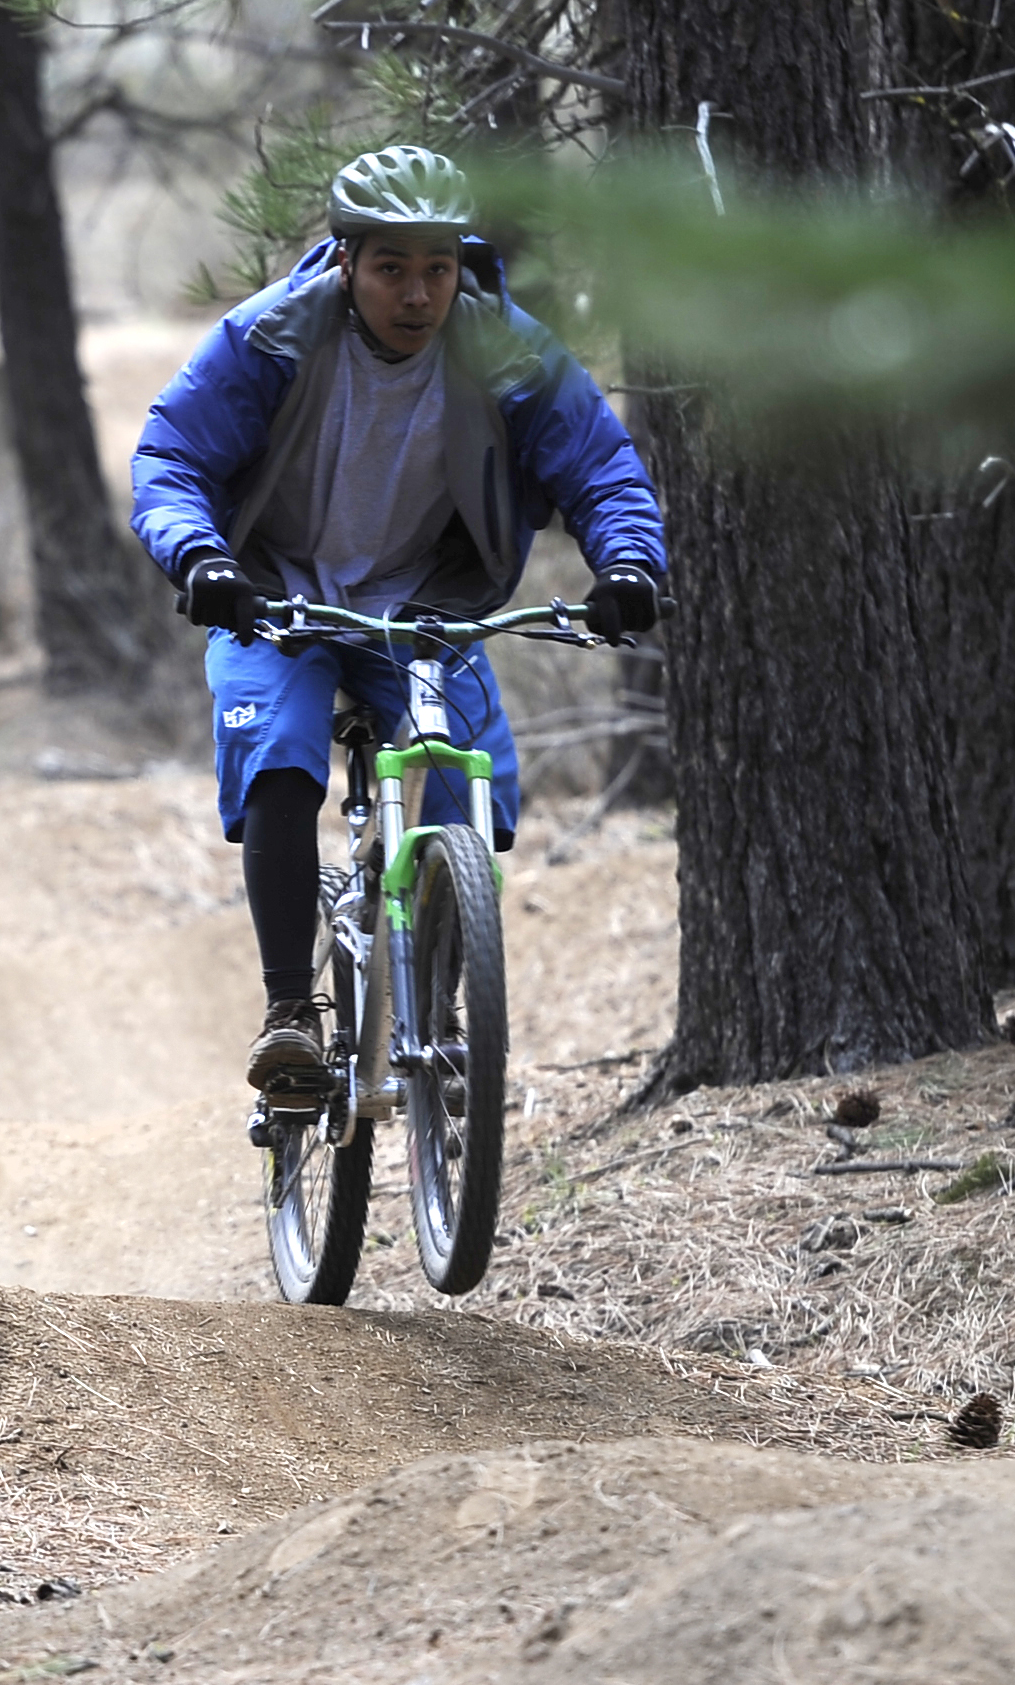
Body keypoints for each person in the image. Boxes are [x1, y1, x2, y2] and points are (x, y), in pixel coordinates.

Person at [131, 145, 668, 1098]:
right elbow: (172, 457)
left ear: (459, 265)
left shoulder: (505, 349)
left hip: (425, 607)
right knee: (283, 757)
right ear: (345, 262)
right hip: (276, 598)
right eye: (391, 269)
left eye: (437, 269)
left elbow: (599, 464)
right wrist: (201, 557)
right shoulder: (269, 339)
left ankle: (443, 1013)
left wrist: (628, 563)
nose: (416, 295)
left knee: (467, 782)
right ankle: (291, 1013)